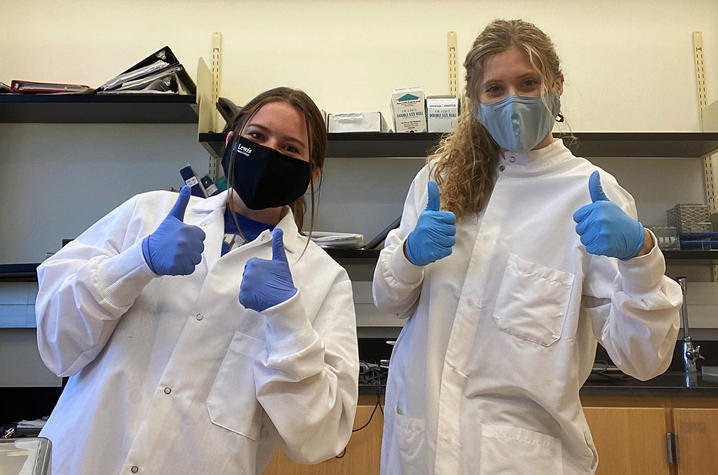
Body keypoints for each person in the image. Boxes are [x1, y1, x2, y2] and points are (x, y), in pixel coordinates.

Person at [373, 19, 681, 475]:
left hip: (520, 460)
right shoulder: (439, 179)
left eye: (528, 83)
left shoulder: (589, 191)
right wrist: (409, 256)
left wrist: (641, 256)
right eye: (495, 89)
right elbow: (389, 301)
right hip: (420, 446)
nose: (512, 99)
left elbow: (644, 360)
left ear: (556, 86)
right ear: (475, 103)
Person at [35, 87, 359, 475]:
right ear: (230, 142)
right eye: (256, 137)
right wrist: (137, 262)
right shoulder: (147, 213)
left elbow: (320, 438)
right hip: (82, 459)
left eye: (290, 149)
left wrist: (288, 321)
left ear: (312, 173)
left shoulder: (323, 279)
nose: (270, 152)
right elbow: (58, 344)